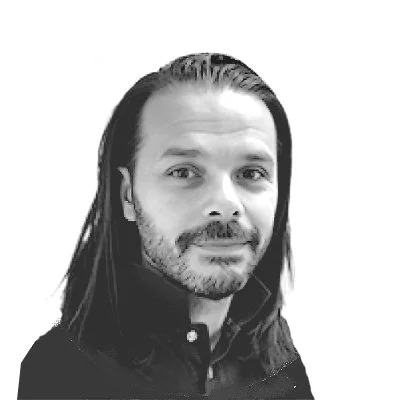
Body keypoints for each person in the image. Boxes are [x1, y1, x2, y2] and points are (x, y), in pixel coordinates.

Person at [17, 52, 314, 399]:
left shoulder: (282, 365)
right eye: (184, 172)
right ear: (128, 195)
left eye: (251, 173)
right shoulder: (62, 373)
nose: (226, 204)